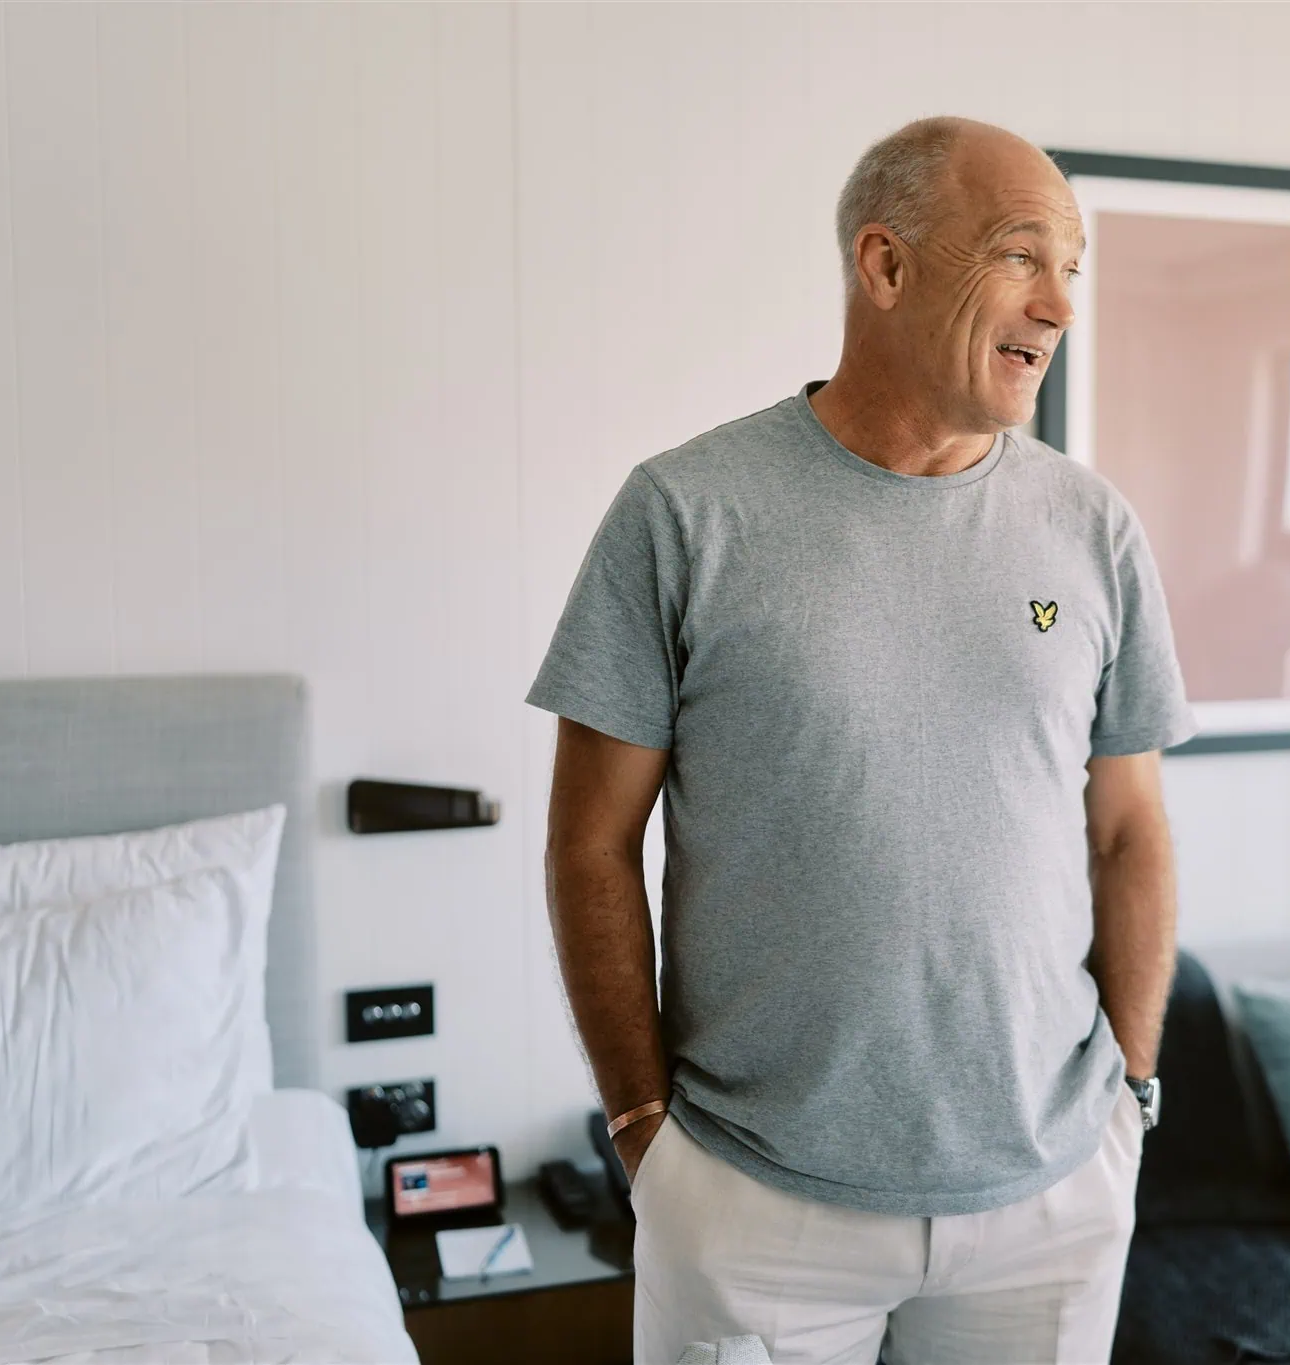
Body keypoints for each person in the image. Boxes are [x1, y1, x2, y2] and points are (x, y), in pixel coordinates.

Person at [528, 115, 1196, 1365]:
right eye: (1019, 256)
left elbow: (1127, 829)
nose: (1057, 304)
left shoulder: (1092, 527)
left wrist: (1133, 1098)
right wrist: (640, 1131)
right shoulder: (684, 513)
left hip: (1052, 1193)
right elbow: (590, 843)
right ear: (883, 267)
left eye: (1073, 267)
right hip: (753, 1196)